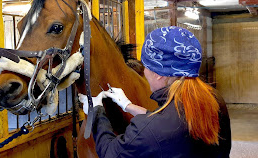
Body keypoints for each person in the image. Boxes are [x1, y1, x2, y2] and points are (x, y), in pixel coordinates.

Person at [79, 26, 231, 158]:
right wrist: (127, 105)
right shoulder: (214, 98)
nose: (144, 72)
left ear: (159, 74)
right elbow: (166, 120)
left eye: (146, 66)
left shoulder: (149, 131)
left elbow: (110, 153)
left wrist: (96, 112)